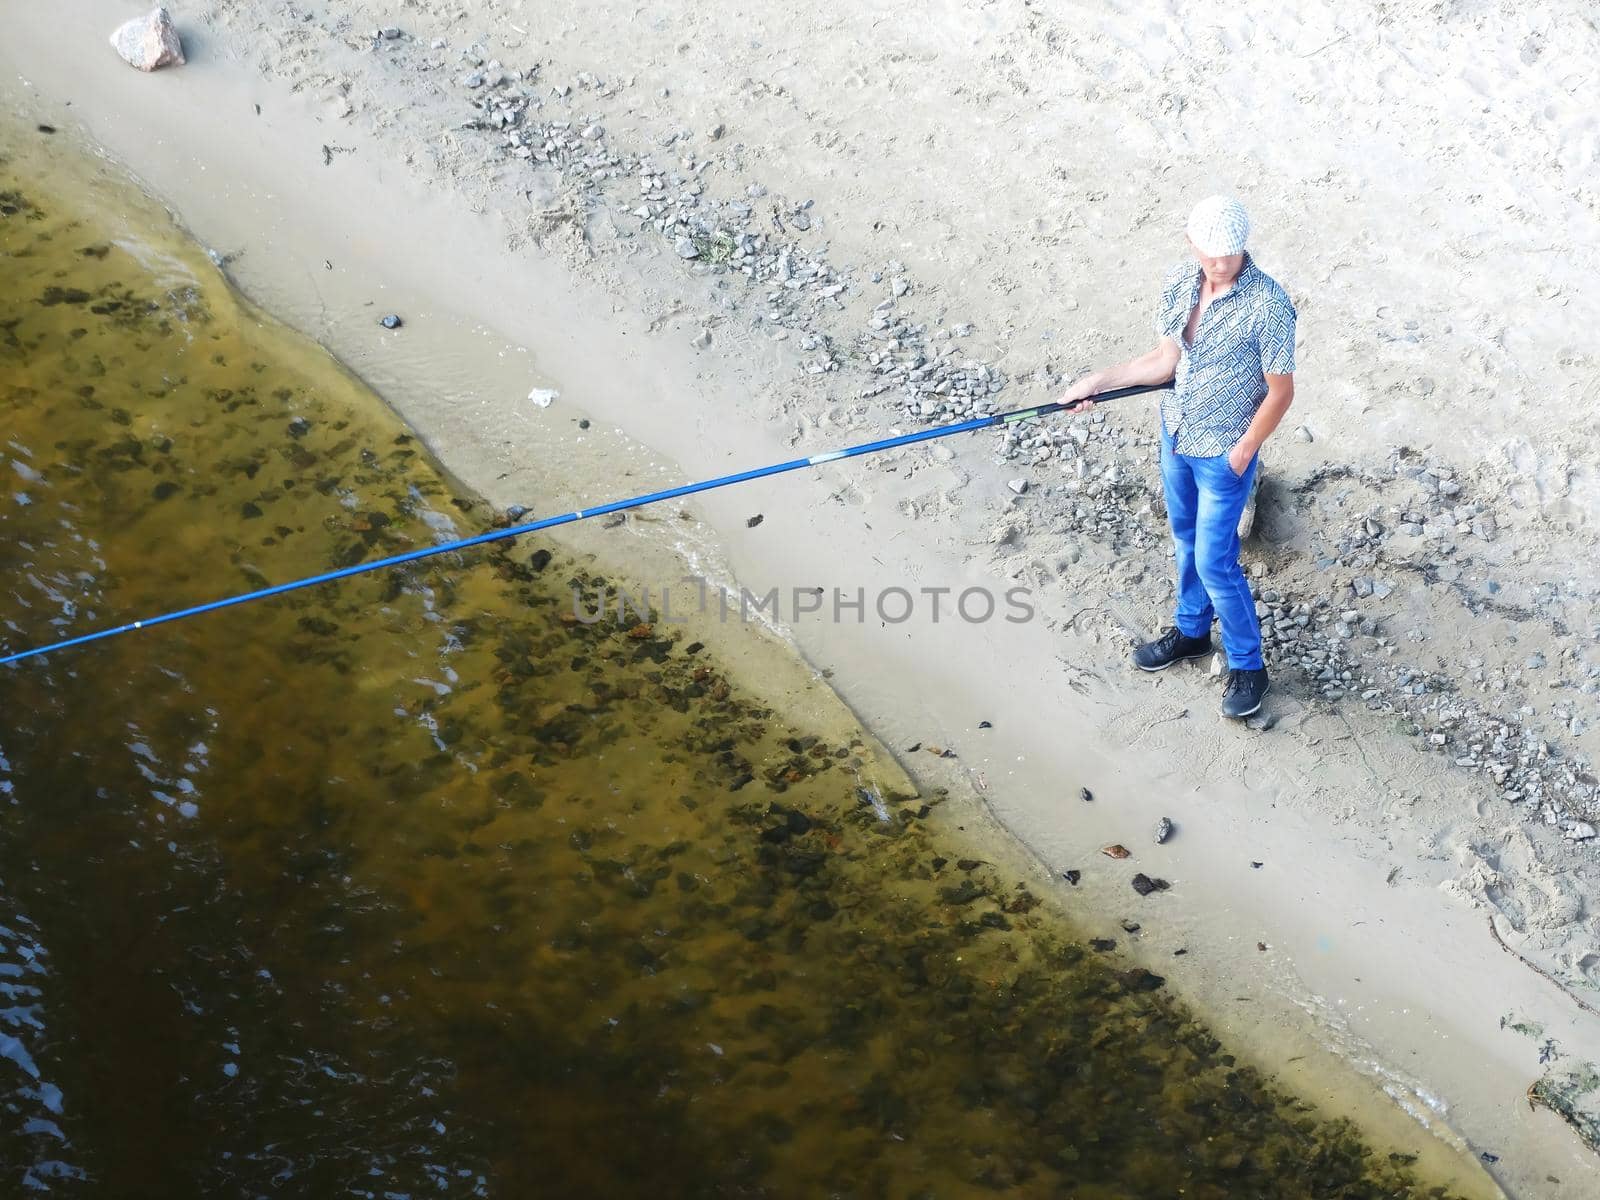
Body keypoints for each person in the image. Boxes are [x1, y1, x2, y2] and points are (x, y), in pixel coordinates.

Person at [1058, 195, 1297, 718]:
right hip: (1176, 435)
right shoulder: (1179, 284)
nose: (1220, 262)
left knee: (1217, 562)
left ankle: (1249, 666)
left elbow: (1280, 392)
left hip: (1224, 454)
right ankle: (1191, 633)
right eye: (1210, 252)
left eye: (1230, 252)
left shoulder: (1270, 305)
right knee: (1185, 541)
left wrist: (1244, 451)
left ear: (1243, 247)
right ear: (1192, 245)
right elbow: (1164, 362)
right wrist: (1095, 383)